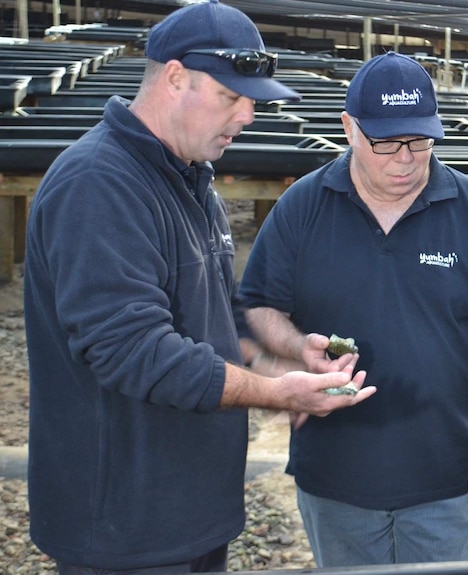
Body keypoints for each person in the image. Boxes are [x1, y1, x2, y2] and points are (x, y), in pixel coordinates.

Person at [24, 1, 374, 573]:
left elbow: (211, 323)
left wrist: (282, 359)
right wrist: (275, 395)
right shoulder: (99, 184)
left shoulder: (190, 180)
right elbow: (133, 351)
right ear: (174, 77)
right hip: (124, 526)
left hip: (188, 513)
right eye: (231, 97)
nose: (247, 116)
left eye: (252, 100)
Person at [238, 51, 468, 567]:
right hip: (335, 476)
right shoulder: (304, 207)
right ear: (349, 128)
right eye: (386, 142)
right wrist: (294, 350)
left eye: (420, 140)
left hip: (447, 477)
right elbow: (260, 311)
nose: (406, 158)